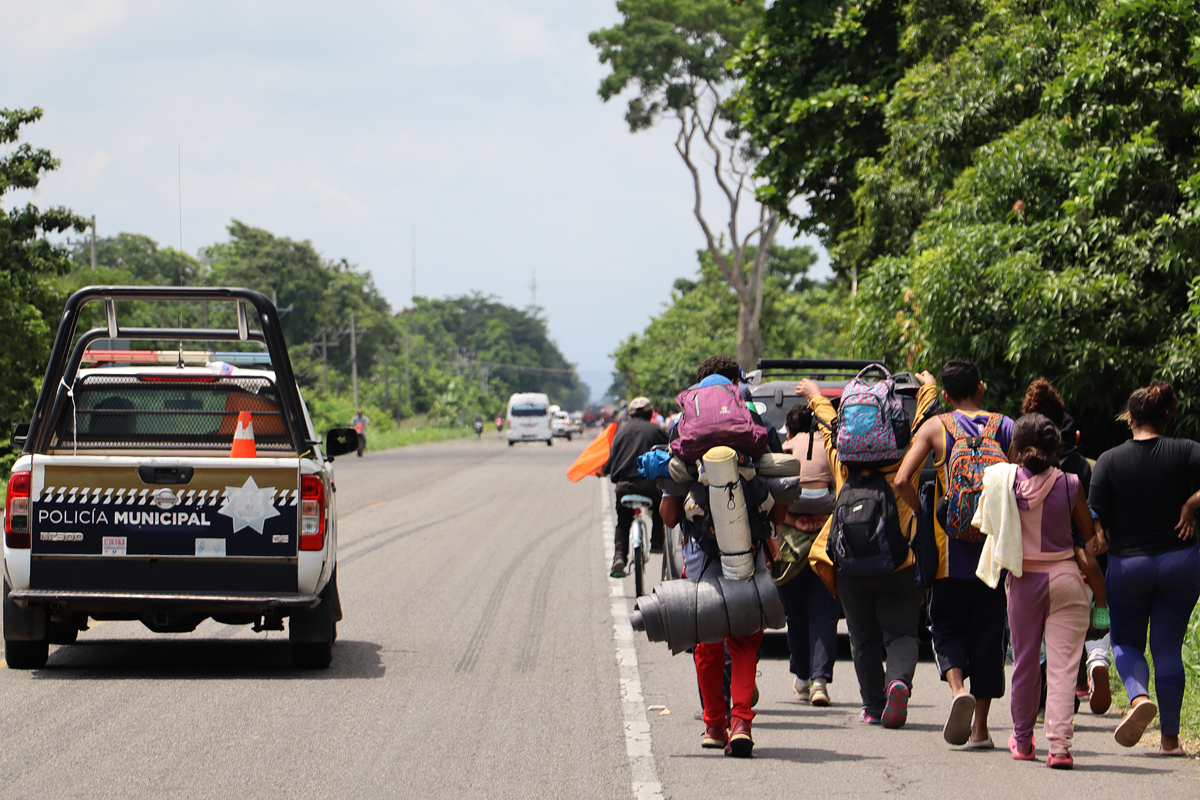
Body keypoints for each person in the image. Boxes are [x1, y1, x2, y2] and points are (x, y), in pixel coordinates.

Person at [800, 369, 939, 729]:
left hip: (849, 564)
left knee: (862, 637)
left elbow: (830, 426)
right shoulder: (905, 459)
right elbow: (925, 418)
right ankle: (897, 682)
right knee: (903, 634)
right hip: (899, 563)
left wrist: (815, 394)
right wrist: (928, 387)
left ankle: (874, 706)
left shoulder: (842, 463)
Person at [660, 354, 781, 758]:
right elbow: (777, 497)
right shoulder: (751, 418)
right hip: (749, 548)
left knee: (706, 640)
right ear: (733, 388)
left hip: (700, 555)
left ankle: (714, 725)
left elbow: (670, 514)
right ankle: (741, 721)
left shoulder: (684, 425)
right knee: (745, 639)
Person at [895, 358, 1013, 749]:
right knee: (988, 636)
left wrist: (927, 513)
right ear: (981, 387)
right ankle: (980, 729)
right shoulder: (1004, 426)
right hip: (992, 552)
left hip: (950, 554)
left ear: (944, 396)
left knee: (946, 627)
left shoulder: (936, 426)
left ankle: (956, 688)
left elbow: (901, 480)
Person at [1088, 381, 1200, 756]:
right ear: (1166, 418)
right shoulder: (1188, 450)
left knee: (1124, 642)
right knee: (1167, 647)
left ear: (1130, 418)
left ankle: (1138, 699)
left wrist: (1100, 535)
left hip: (1129, 566)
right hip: (1181, 562)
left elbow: (1092, 514)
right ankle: (1170, 741)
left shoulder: (1109, 460)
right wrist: (1190, 506)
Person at [983, 413, 1097, 768]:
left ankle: (1022, 740)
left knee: (1025, 663)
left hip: (1024, 579)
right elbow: (1088, 538)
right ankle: (1060, 748)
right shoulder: (1071, 484)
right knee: (1063, 667)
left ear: (1016, 447)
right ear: (1057, 446)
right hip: (1065, 578)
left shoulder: (1004, 481)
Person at [1020, 378, 1112, 715]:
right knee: (1066, 634)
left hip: (1027, 560)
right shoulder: (1076, 468)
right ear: (1060, 426)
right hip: (1070, 557)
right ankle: (1081, 672)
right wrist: (1094, 541)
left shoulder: (1017, 465)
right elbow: (1089, 523)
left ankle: (1033, 706)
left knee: (1032, 641)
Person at [777, 401, 841, 707]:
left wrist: (794, 521)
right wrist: (822, 521)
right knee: (825, 613)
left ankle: (802, 678)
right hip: (824, 542)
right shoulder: (829, 447)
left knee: (796, 614)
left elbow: (772, 500)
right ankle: (820, 683)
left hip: (791, 547)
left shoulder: (785, 447)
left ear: (788, 430)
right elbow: (840, 492)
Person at [602, 396, 667, 578]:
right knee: (659, 510)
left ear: (630, 415)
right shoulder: (657, 431)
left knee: (623, 522)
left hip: (625, 487)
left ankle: (620, 557)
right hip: (650, 487)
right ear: (650, 413)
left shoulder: (620, 433)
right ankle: (656, 543)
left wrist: (603, 471)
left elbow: (611, 461)